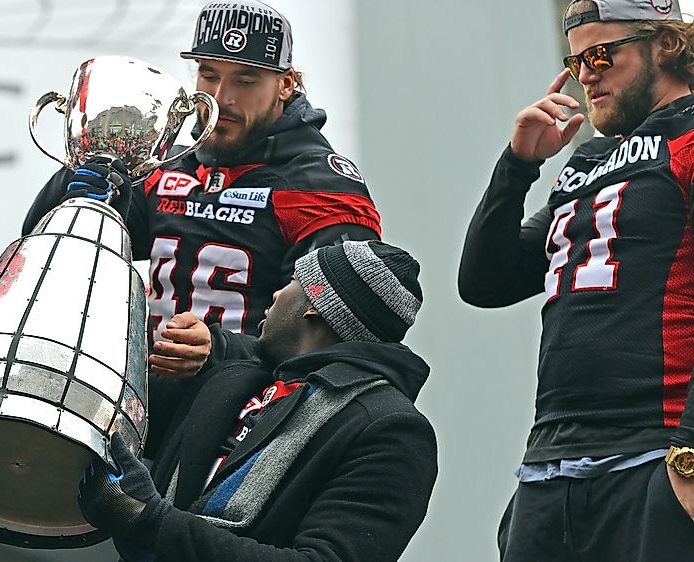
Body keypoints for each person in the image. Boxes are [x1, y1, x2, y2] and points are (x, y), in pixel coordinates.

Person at [458, 0, 694, 559]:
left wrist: (688, 452)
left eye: (601, 54)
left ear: (665, 44)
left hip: (652, 451)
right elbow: (485, 283)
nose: (586, 73)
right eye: (576, 58)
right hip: (551, 463)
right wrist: (517, 166)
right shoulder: (589, 160)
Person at [22, 0, 381, 348]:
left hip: (258, 402)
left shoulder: (322, 184)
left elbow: (336, 331)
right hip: (145, 394)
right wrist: (80, 180)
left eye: (246, 81)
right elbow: (46, 258)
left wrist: (221, 350)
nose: (222, 97)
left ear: (286, 84)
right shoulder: (166, 164)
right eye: (209, 75)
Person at [78, 240, 436, 561]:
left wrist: (152, 522)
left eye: (292, 282)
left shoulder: (392, 431)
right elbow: (111, 414)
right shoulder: (233, 378)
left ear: (314, 304)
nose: (277, 295)